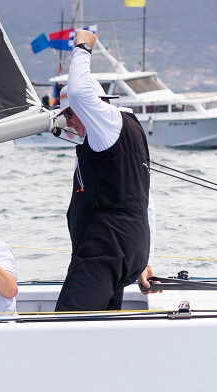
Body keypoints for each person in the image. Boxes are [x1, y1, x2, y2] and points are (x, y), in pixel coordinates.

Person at [55, 29, 157, 312]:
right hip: (127, 249)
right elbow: (147, 202)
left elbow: (78, 92)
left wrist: (82, 47)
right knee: (102, 324)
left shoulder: (106, 122)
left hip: (105, 249)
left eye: (69, 114)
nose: (68, 123)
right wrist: (146, 260)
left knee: (62, 327)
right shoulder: (124, 130)